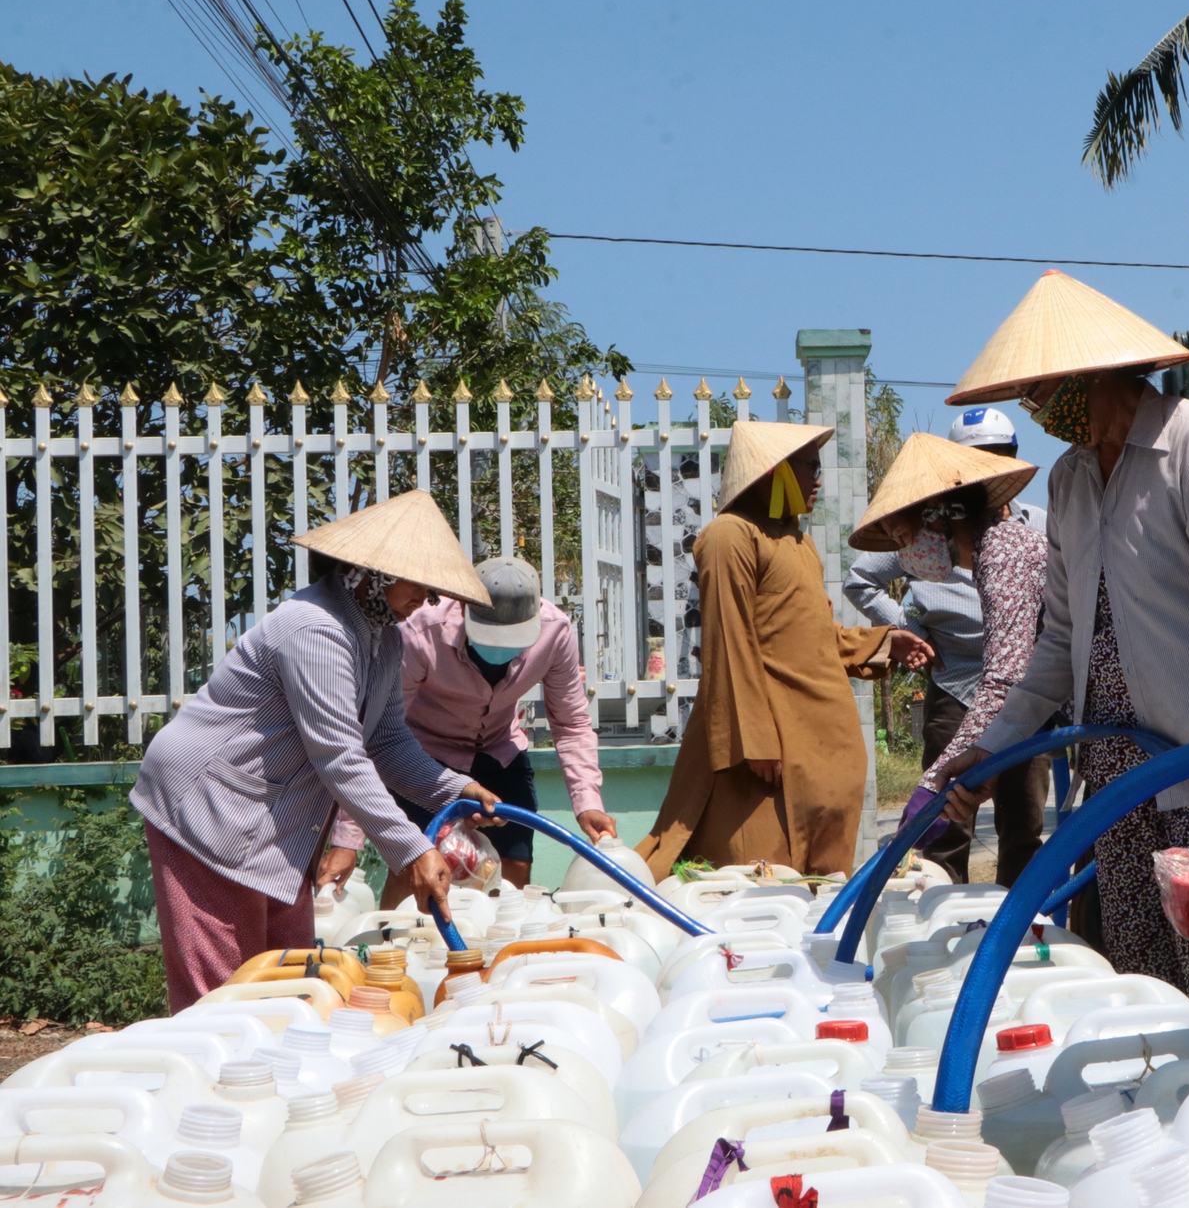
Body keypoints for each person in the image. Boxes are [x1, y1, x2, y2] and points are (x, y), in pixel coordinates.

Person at [932, 269, 1189, 1030]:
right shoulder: (1071, 481)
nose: (1038, 410)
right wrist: (995, 746)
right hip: (1110, 774)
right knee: (1138, 978)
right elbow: (1058, 640)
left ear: (1089, 374)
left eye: (1041, 391)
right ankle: (1160, 1115)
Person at [130, 491, 501, 1012]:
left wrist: (454, 788)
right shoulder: (315, 629)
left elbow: (387, 741)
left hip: (275, 819)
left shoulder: (384, 639)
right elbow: (340, 755)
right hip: (211, 805)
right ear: (372, 574)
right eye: (420, 584)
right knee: (222, 993)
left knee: (290, 978)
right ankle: (217, 1081)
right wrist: (413, 849)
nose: (430, 601)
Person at [635, 421, 935, 878]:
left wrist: (882, 643)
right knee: (756, 887)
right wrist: (756, 740)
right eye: (809, 468)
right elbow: (729, 643)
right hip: (768, 756)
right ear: (775, 472)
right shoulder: (729, 536)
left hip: (820, 753)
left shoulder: (800, 544)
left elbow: (812, 637)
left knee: (818, 892)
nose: (818, 479)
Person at [318, 556, 615, 906]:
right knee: (416, 866)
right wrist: (347, 837)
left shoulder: (555, 632)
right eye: (491, 635)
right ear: (463, 609)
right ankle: (401, 949)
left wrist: (587, 803)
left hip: (499, 752)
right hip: (424, 758)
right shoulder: (420, 633)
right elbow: (377, 736)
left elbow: (571, 722)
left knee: (513, 866)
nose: (501, 648)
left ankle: (500, 950)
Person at [843, 405, 1049, 882]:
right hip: (965, 687)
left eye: (904, 532)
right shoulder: (991, 550)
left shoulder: (1005, 550)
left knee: (1022, 823)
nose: (902, 545)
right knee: (950, 833)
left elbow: (1004, 679)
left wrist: (932, 787)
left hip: (1055, 702)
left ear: (939, 515)